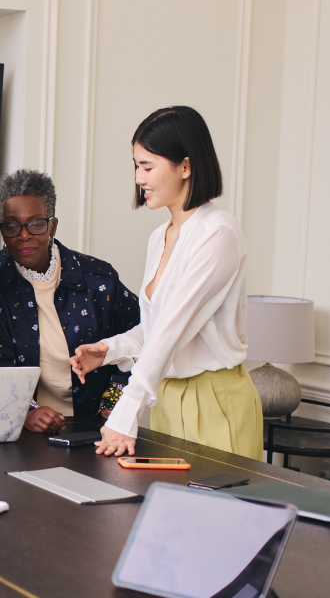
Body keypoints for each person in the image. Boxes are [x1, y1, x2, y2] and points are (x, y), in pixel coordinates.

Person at [70, 106, 264, 460]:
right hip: (163, 398)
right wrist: (110, 350)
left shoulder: (217, 232)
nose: (139, 178)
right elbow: (156, 327)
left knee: (214, 514)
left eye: (147, 166)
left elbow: (173, 329)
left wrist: (125, 411)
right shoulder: (159, 236)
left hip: (213, 400)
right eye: (136, 166)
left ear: (186, 167)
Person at [0, 169, 140, 432]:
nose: (23, 235)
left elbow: (142, 334)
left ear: (53, 226)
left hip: (95, 425)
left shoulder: (99, 279)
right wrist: (26, 411)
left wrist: (115, 398)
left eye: (36, 223)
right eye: (11, 226)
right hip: (20, 429)